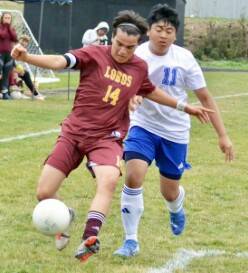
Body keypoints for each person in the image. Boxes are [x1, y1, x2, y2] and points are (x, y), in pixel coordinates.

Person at [11, 9, 212, 262]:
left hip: (107, 137)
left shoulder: (139, 66)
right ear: (112, 39)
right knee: (44, 193)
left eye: (130, 47)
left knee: (108, 180)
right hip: (74, 133)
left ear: (136, 45)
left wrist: (185, 107)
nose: (123, 51)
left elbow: (150, 90)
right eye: (119, 44)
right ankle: (65, 218)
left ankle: (90, 238)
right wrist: (27, 57)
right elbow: (59, 62)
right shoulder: (93, 54)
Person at [113, 4, 234, 257]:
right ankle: (131, 241)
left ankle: (176, 207)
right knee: (134, 175)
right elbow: (125, 85)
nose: (163, 35)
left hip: (175, 131)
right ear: (149, 31)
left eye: (169, 30)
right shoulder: (138, 55)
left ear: (175, 34)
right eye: (159, 29)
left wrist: (222, 136)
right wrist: (131, 99)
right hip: (142, 125)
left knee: (169, 190)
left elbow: (205, 98)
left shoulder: (184, 59)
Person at [10, 35, 45, 100]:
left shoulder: (19, 49)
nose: (25, 43)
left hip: (12, 69)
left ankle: (35, 93)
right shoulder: (12, 48)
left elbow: (13, 63)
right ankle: (33, 94)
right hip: (6, 71)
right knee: (23, 74)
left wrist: (19, 70)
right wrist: (16, 71)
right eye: (23, 41)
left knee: (25, 73)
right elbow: (8, 63)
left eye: (26, 42)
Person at [0, 12, 18, 100]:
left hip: (9, 55)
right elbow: (2, 35)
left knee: (6, 75)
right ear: (2, 18)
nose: (7, 19)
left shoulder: (12, 29)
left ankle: (5, 93)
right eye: (6, 17)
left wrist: (9, 28)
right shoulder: (0, 27)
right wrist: (6, 26)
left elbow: (15, 38)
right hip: (0, 54)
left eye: (9, 18)